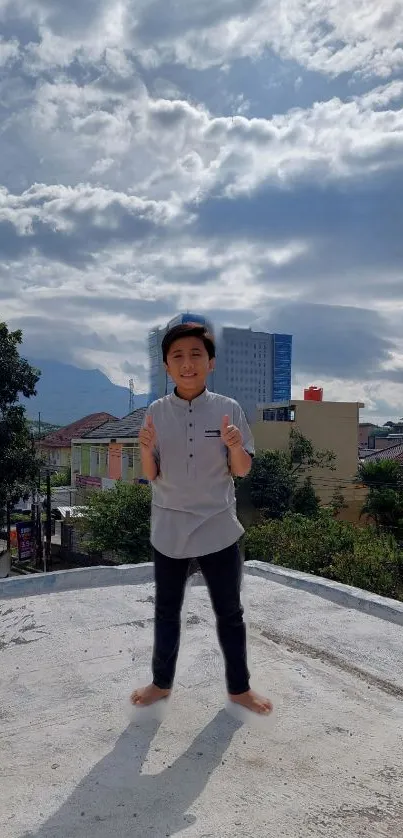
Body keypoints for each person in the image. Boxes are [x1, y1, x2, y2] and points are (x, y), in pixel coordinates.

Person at [130, 323, 273, 715]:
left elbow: (241, 470)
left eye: (195, 355)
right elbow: (152, 474)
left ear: (210, 363)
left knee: (230, 613)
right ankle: (161, 683)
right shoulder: (155, 412)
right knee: (166, 611)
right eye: (177, 356)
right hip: (169, 527)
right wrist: (144, 450)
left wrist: (234, 446)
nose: (187, 363)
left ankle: (239, 688)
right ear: (166, 366)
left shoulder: (229, 409)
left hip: (218, 526)